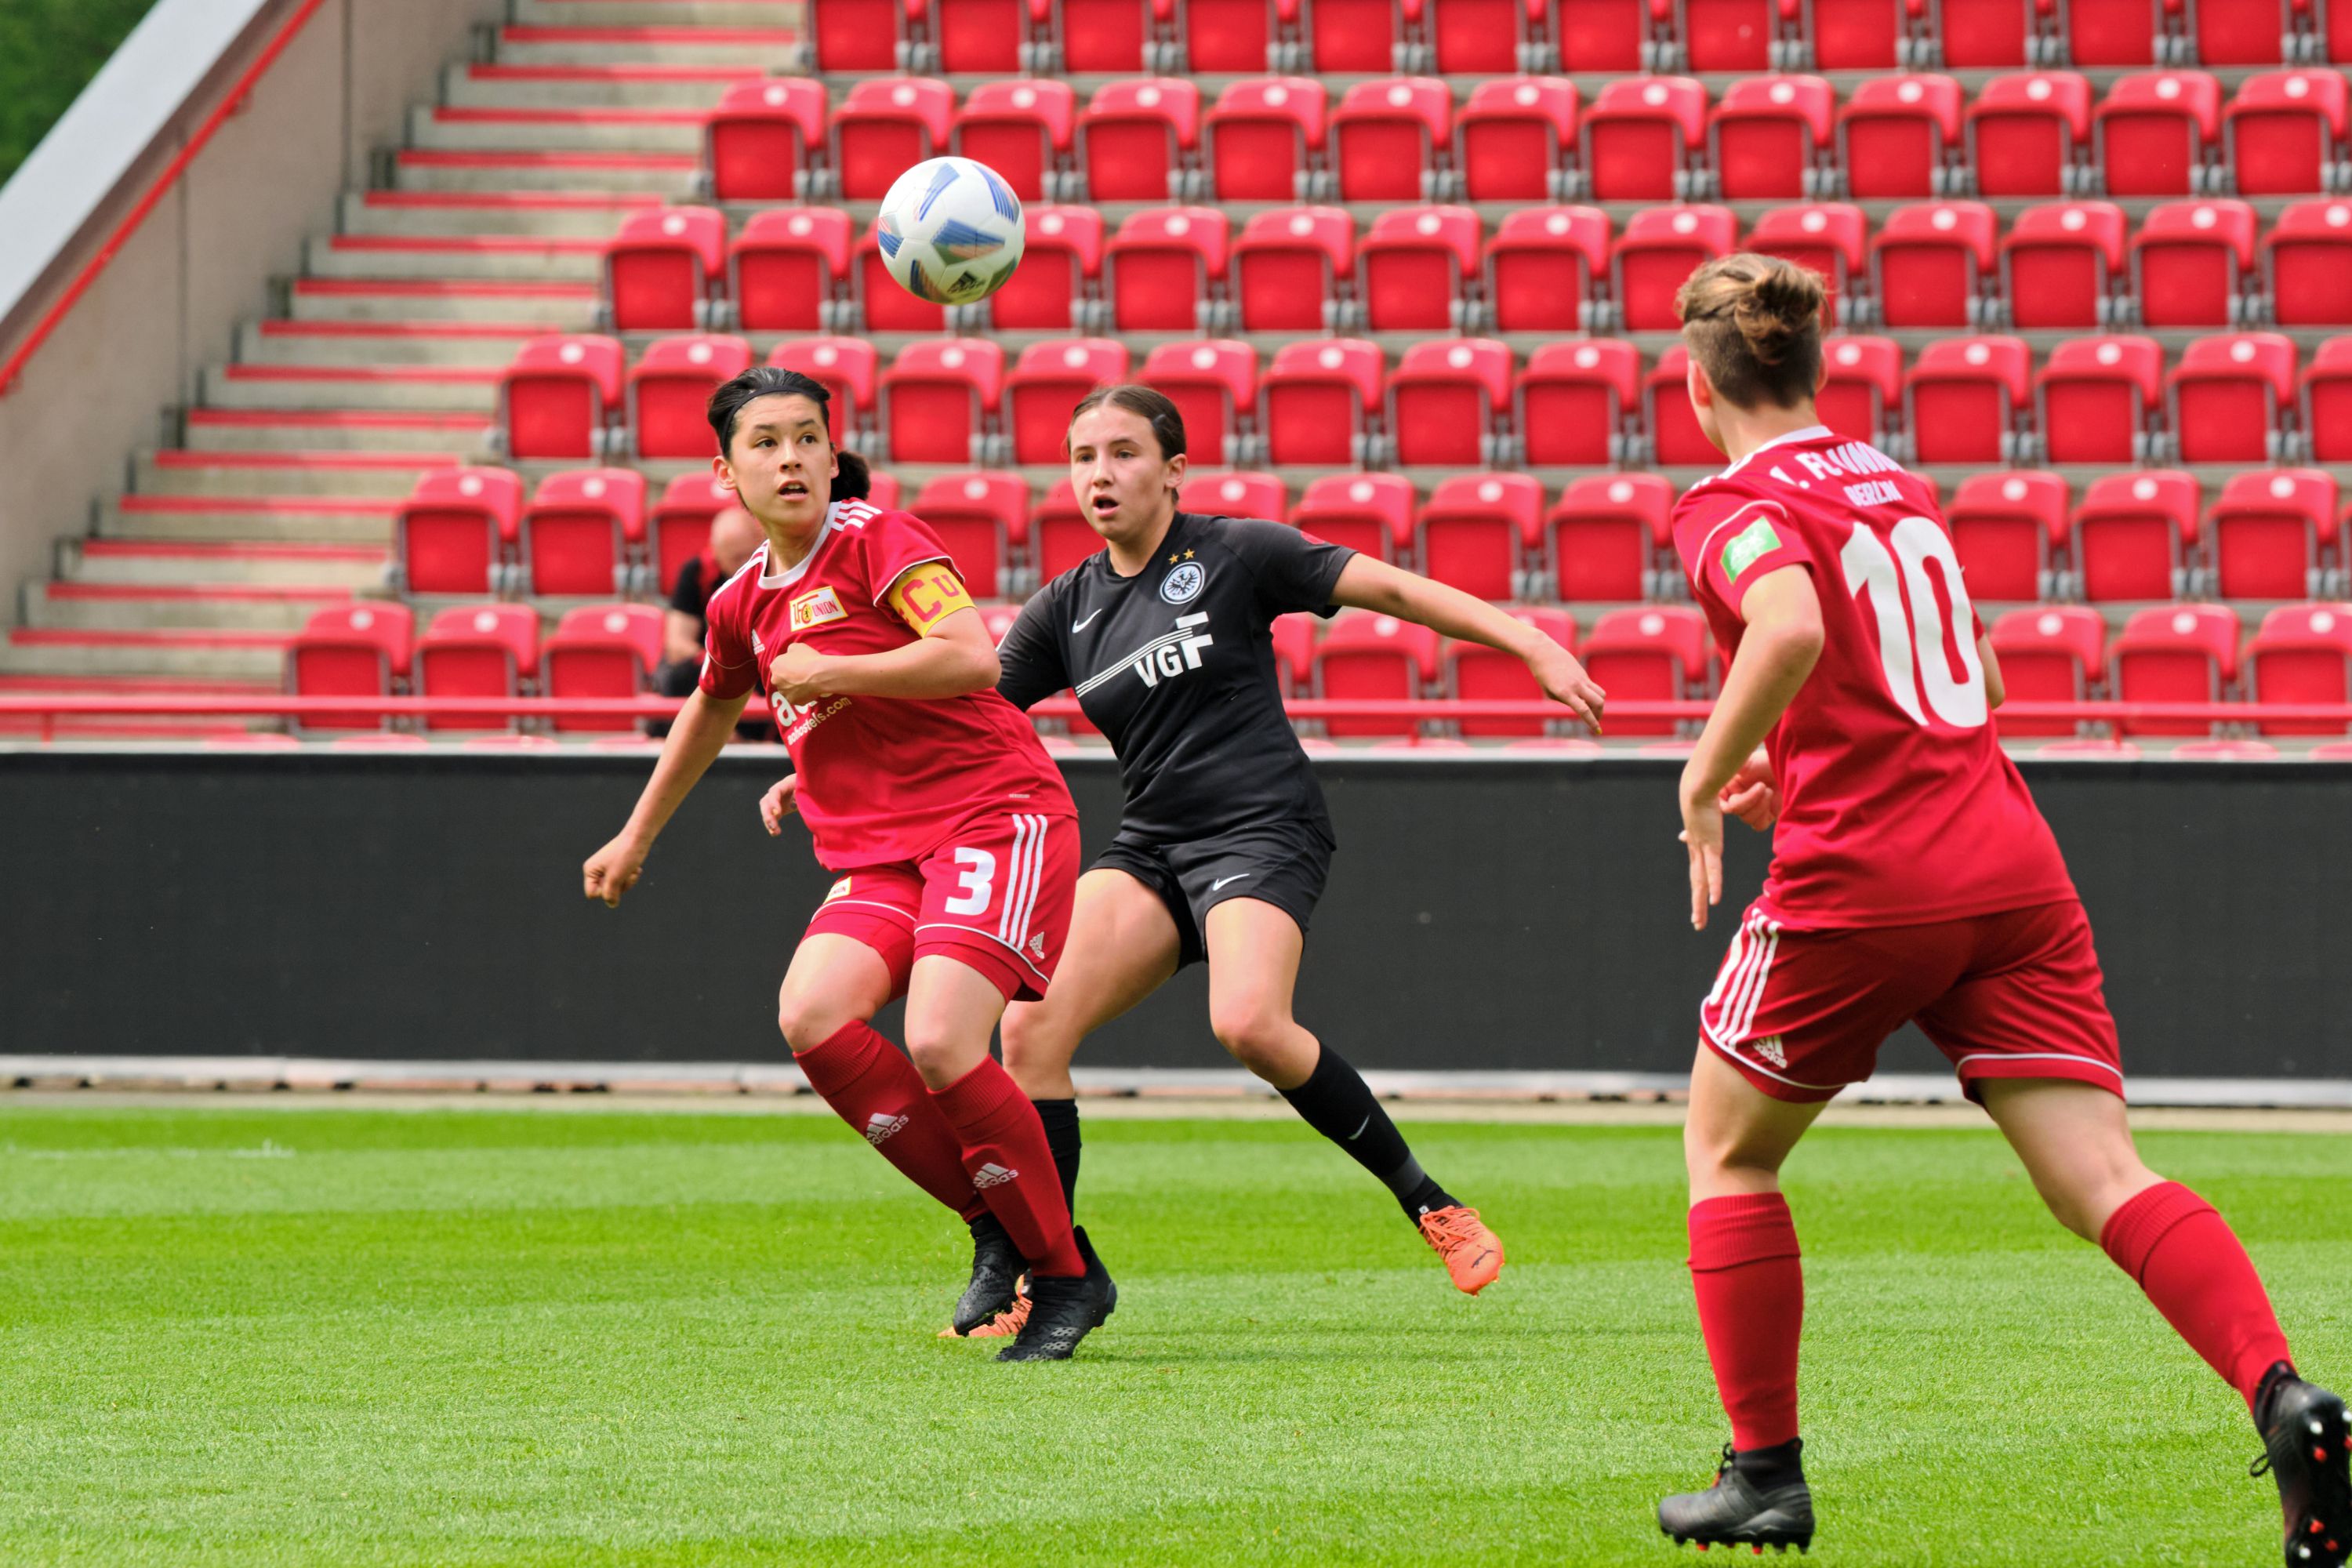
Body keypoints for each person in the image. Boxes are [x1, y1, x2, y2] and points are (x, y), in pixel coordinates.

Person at [1653, 253, 2347, 1558]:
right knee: (2103, 1176)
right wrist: (1785, 758)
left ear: (1698, 389)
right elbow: (1932, 676)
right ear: (1816, 371)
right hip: (2010, 866)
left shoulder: (1726, 500)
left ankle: (1766, 1475)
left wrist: (1702, 773)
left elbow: (1790, 628)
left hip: (1864, 878)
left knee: (1728, 1153)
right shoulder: (1895, 485)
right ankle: (2285, 1395)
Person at [980, 384, 1606, 1316]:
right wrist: (844, 768)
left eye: (1122, 452)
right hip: (1153, 841)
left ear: (1173, 470)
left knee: (1248, 1023)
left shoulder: (1235, 550)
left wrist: (1528, 641)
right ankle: (1055, 1273)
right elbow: (967, 716)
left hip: (1261, 825)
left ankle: (1430, 1201)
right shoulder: (1064, 609)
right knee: (1030, 1030)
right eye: (1081, 457)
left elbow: (1392, 588)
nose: (1099, 474)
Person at [583, 365, 1115, 1363]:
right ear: (724, 471)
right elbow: (708, 706)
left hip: (992, 816)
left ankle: (1068, 1279)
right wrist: (637, 833)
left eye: (805, 439)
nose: (788, 457)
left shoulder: (882, 539)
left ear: (833, 455)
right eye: (764, 442)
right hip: (882, 849)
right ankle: (998, 1213)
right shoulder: (741, 599)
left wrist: (834, 672)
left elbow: (969, 655)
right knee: (812, 1017)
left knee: (944, 1041)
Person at [652, 503, 766, 742]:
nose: (746, 563)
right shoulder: (697, 572)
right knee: (678, 676)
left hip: (764, 666)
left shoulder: (775, 568)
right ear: (717, 553)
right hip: (717, 665)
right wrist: (725, 664)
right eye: (736, 557)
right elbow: (677, 645)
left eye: (750, 552)